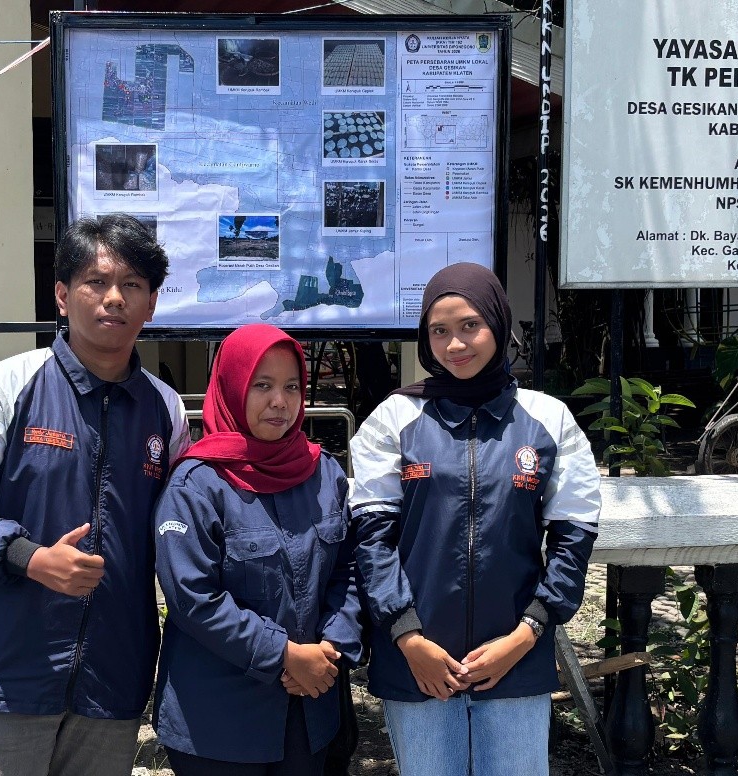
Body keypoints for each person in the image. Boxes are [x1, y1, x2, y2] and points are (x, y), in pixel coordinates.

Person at [0, 213, 190, 776]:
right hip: (6, 675)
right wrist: (30, 558)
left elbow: (180, 530)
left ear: (152, 304)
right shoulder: (9, 385)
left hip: (112, 682)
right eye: (96, 282)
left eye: (132, 284)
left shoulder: (166, 410)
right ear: (62, 296)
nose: (114, 298)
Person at [348, 262, 601, 776]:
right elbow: (372, 541)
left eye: (470, 325)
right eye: (439, 331)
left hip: (514, 658)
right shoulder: (394, 418)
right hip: (418, 661)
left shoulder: (548, 419)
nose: (456, 344)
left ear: (498, 324)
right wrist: (407, 636)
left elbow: (573, 538)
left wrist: (527, 634)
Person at [152, 323, 362, 776]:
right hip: (220, 723)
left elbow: (347, 570)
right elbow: (193, 599)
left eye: (291, 386)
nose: (280, 401)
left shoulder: (323, 473)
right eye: (261, 385)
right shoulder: (196, 486)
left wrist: (332, 648)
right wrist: (285, 654)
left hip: (309, 711)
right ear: (231, 388)